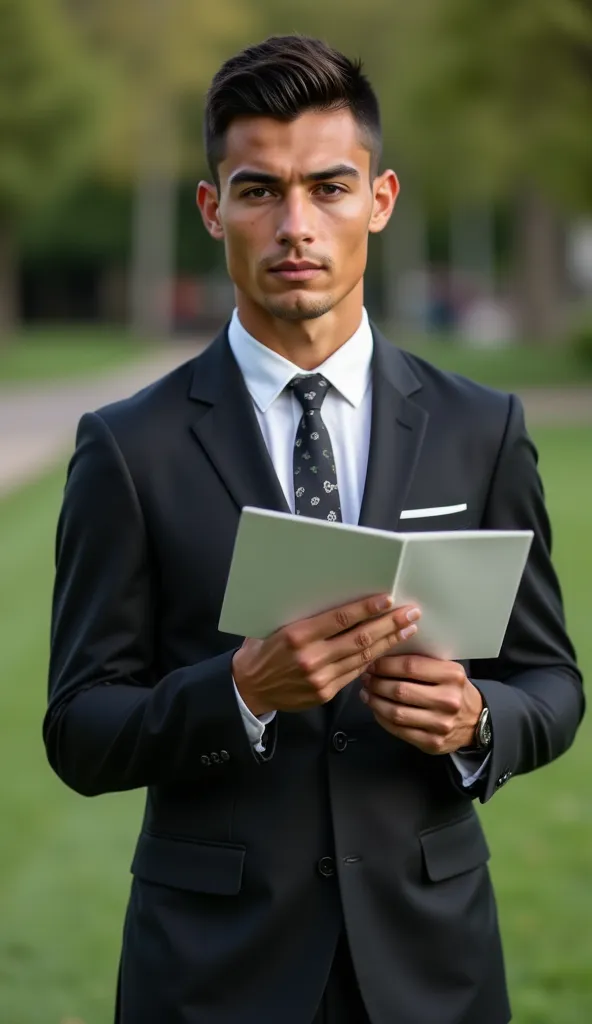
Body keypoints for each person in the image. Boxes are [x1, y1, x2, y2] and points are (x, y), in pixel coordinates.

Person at [44, 34, 584, 1024]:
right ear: (213, 210)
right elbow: (79, 729)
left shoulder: (483, 430)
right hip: (211, 976)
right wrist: (239, 693)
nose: (296, 224)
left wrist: (475, 723)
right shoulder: (128, 448)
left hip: (434, 969)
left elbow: (551, 682)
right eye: (259, 190)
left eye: (328, 187)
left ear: (378, 199)